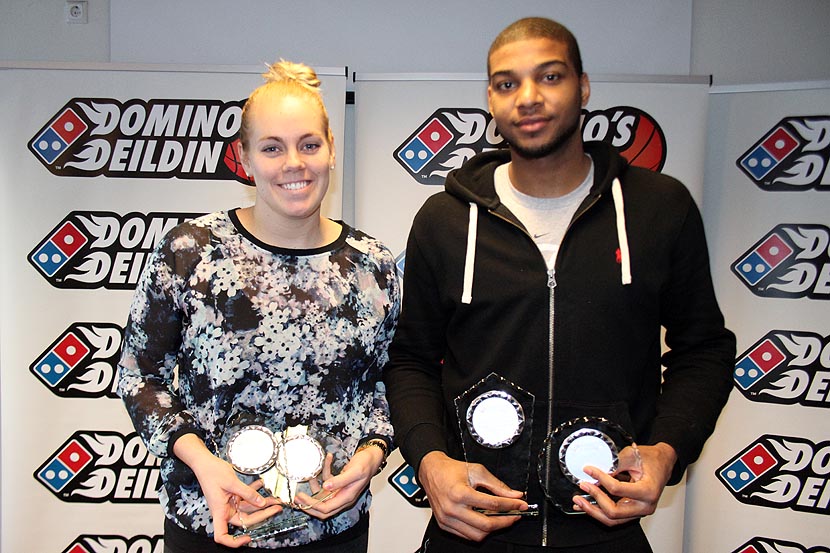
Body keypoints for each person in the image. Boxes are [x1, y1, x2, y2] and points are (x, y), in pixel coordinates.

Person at [384, 17, 736, 553]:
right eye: (507, 83)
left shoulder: (659, 209)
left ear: (583, 86)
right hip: (472, 530)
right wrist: (430, 461)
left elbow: (704, 349)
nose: (528, 97)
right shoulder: (445, 220)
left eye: (550, 77)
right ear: (490, 99)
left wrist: (667, 450)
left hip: (605, 530)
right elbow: (411, 360)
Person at [118, 60, 399, 552]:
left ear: (331, 150)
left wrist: (372, 454)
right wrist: (201, 463)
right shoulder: (191, 251)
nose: (294, 163)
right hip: (213, 523)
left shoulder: (371, 264)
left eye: (309, 144)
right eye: (272, 148)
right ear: (243, 158)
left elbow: (391, 381)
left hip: (332, 530)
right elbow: (140, 376)